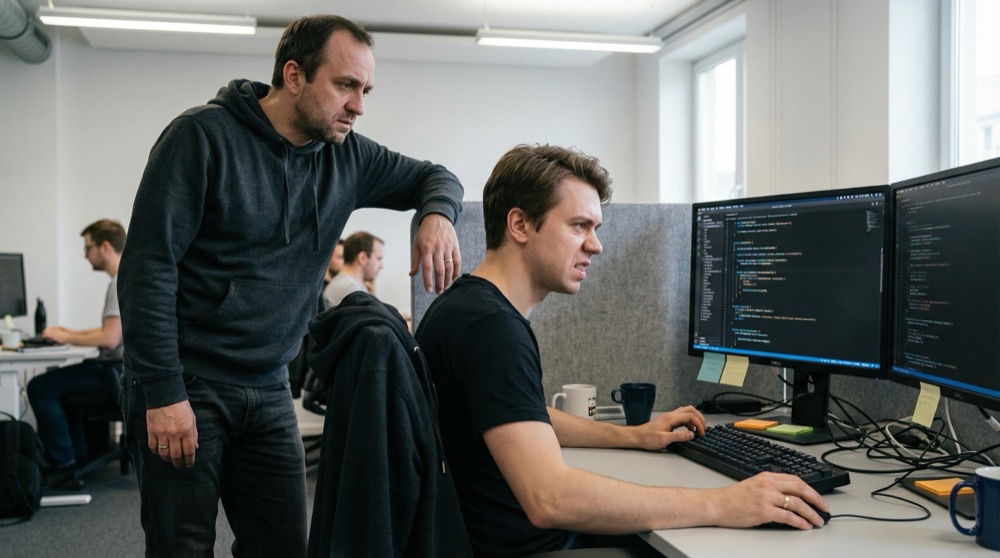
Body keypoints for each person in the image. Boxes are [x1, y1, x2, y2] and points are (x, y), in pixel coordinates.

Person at [117, 14, 463, 557]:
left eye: (366, 90)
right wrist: (163, 393)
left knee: (282, 549)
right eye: (345, 85)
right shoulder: (201, 137)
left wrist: (436, 214)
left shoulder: (347, 156)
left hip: (269, 385)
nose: (358, 105)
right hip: (187, 381)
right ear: (294, 75)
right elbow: (146, 269)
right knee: (181, 549)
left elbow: (436, 176)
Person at [414, 144, 829, 556]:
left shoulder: (464, 307)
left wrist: (632, 436)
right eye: (579, 226)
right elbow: (550, 498)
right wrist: (721, 503)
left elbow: (520, 414)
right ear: (520, 224)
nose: (596, 245)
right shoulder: (492, 329)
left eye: (595, 228)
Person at [27, 219, 126, 491]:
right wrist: (68, 332)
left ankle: (64, 467)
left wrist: (66, 337)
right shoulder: (125, 276)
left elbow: (110, 338)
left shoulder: (119, 281)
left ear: (105, 247)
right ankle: (77, 457)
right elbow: (110, 329)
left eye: (87, 248)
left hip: (115, 373)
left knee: (40, 387)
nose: (85, 255)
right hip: (117, 368)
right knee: (57, 384)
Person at [321, 231, 383, 309]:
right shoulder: (352, 290)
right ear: (362, 258)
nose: (381, 266)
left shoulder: (348, 285)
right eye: (378, 259)